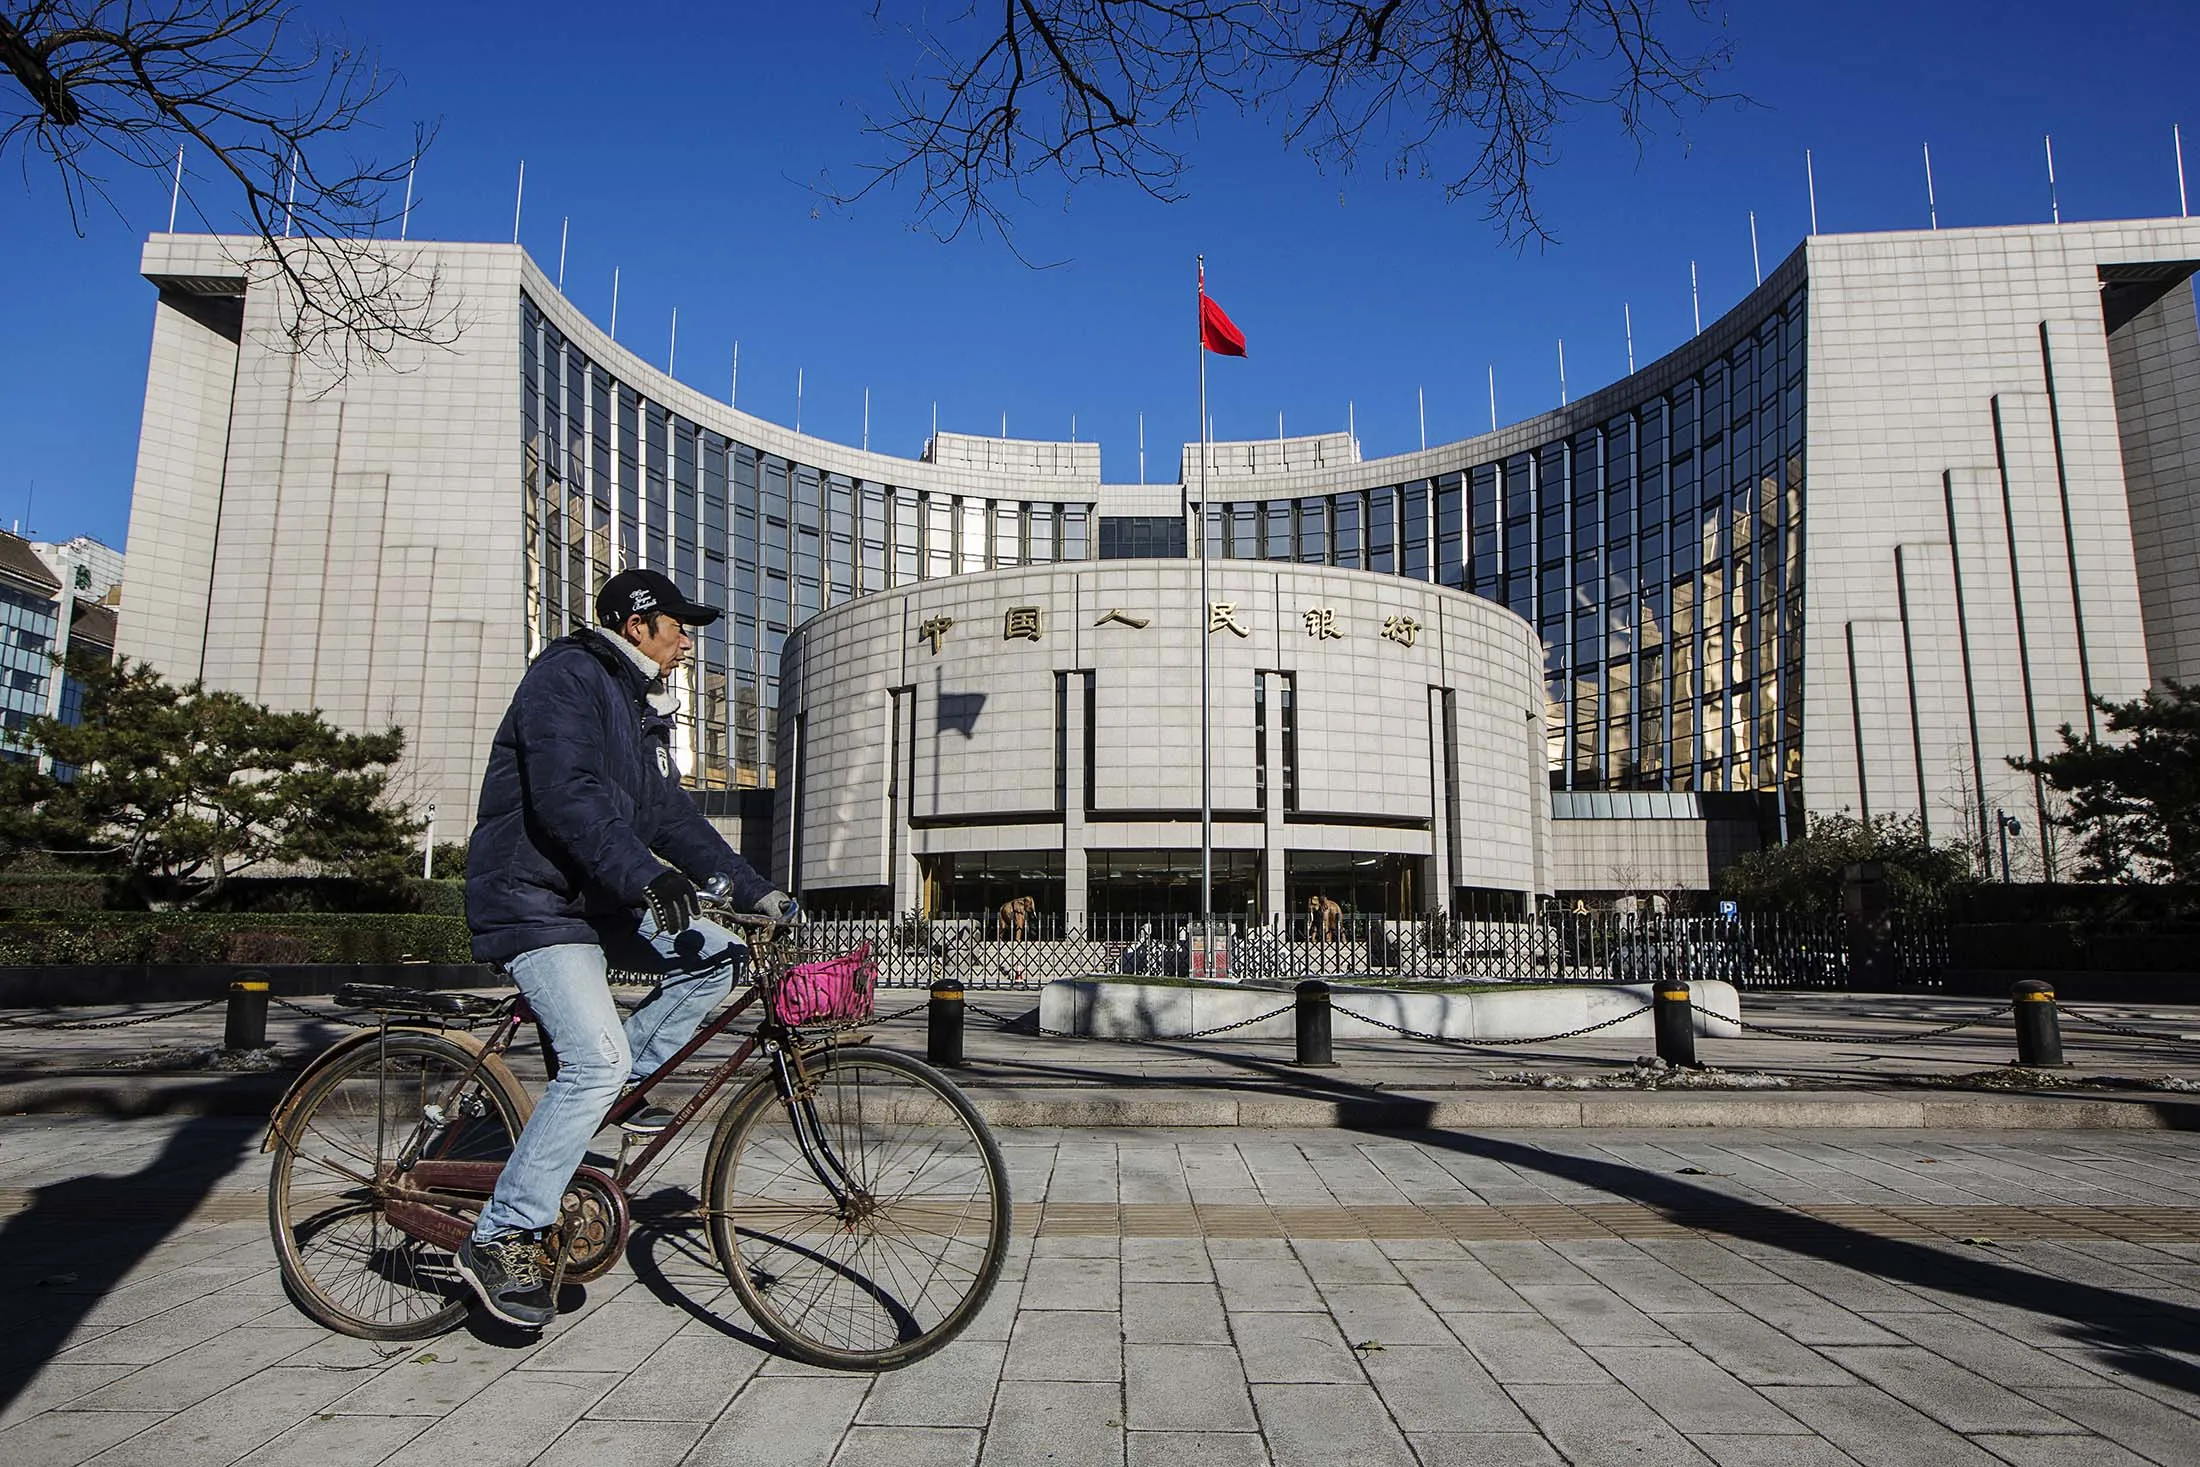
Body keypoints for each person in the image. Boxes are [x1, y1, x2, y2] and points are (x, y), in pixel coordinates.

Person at [457, 567, 793, 1329]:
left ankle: (609, 1096)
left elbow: (670, 815)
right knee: (596, 1056)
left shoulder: (637, 709)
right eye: (677, 625)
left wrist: (748, 887)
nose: (686, 641)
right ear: (637, 623)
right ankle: (502, 1232)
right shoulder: (567, 677)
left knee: (719, 955)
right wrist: (646, 876)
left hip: (595, 893)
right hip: (535, 899)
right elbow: (567, 794)